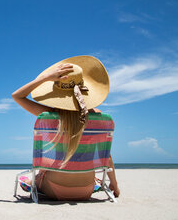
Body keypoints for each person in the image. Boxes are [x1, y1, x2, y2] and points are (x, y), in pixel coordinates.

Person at [12, 55, 120, 201]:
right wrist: (114, 184)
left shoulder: (49, 115)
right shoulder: (100, 118)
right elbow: (106, 156)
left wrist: (45, 78)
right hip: (86, 189)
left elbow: (17, 96)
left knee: (26, 179)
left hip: (53, 188)